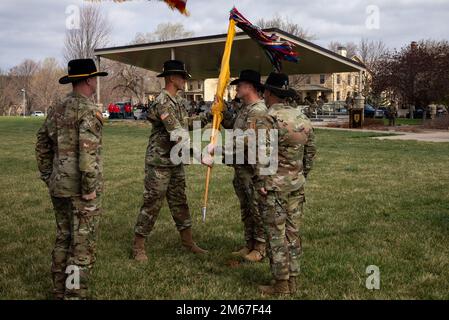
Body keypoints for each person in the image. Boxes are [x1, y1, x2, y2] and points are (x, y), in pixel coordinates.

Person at [35, 58, 107, 299]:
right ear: (88, 80)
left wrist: (48, 175)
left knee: (64, 237)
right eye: (94, 77)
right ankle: (74, 295)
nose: (95, 81)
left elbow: (42, 143)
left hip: (59, 187)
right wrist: (89, 188)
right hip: (80, 191)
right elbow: (87, 153)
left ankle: (58, 290)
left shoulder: (57, 108)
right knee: (82, 247)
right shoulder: (89, 110)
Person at [131, 60, 209, 262]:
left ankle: (188, 241)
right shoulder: (162, 102)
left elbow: (186, 125)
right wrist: (200, 155)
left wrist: (210, 115)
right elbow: (177, 133)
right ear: (172, 78)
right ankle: (138, 245)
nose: (185, 80)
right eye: (182, 77)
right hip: (160, 162)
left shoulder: (177, 101)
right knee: (152, 203)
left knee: (179, 201)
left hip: (175, 161)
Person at [252, 72, 316, 295]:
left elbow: (263, 154)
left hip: (274, 187)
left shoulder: (268, 118)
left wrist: (262, 181)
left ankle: (281, 284)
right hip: (296, 184)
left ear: (269, 93)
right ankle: (293, 281)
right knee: (293, 233)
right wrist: (301, 174)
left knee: (276, 235)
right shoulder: (301, 117)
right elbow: (310, 151)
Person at [206, 70, 268, 263]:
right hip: (241, 169)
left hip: (253, 171)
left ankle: (260, 247)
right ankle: (249, 243)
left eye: (240, 85)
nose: (237, 88)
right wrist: (222, 113)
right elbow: (235, 126)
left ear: (249, 87)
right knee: (247, 208)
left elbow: (245, 141)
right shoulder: (245, 109)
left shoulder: (257, 111)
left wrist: (218, 150)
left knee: (257, 208)